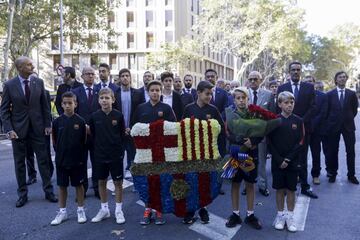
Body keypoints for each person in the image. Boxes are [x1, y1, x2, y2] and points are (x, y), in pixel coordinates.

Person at [0, 56, 57, 207]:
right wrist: (9, 129)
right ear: (20, 68)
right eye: (29, 65)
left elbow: (45, 106)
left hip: (38, 129)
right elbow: (4, 110)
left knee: (43, 160)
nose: (32, 66)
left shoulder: (38, 82)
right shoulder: (9, 85)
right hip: (18, 131)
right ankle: (22, 194)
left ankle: (49, 191)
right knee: (20, 163)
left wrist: (47, 124)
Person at [132, 80, 176, 225]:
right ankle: (147, 209)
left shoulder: (167, 108)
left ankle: (159, 210)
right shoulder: (140, 108)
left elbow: (173, 128)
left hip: (161, 152)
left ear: (161, 91)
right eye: (152, 90)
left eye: (158, 90)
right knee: (146, 182)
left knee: (160, 181)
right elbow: (135, 128)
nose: (155, 93)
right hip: (145, 153)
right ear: (148, 92)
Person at [182, 80, 225, 225]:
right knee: (191, 182)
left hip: (208, 155)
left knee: (204, 183)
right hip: (191, 155)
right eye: (207, 94)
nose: (209, 97)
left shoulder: (213, 110)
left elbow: (222, 131)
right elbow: (181, 129)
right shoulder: (188, 109)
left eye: (211, 94)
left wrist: (220, 152)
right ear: (198, 93)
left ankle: (203, 208)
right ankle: (189, 210)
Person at [277, 61, 318, 199]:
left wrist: (300, 121)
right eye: (293, 69)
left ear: (301, 71)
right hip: (285, 129)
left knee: (302, 158)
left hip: (303, 128)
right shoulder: (282, 87)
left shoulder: (309, 87)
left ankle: (305, 185)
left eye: (298, 69)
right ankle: (286, 186)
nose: (296, 72)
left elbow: (313, 107)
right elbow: (279, 107)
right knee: (287, 155)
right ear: (289, 71)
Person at [225, 87, 263, 230]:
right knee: (235, 183)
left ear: (248, 98)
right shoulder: (229, 113)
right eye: (238, 98)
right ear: (234, 100)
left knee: (250, 184)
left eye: (243, 98)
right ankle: (235, 214)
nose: (241, 100)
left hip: (250, 154)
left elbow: (261, 131)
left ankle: (250, 214)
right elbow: (227, 132)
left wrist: (253, 141)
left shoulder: (255, 113)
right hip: (235, 152)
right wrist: (241, 140)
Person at [90, 88, 126, 224]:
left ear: (113, 100)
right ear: (98, 100)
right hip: (100, 155)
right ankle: (104, 209)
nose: (104, 100)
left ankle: (118, 209)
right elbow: (92, 135)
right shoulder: (94, 116)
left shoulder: (118, 116)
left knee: (118, 182)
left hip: (115, 155)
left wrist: (120, 151)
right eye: (102, 98)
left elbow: (122, 135)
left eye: (107, 98)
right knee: (101, 181)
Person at [269, 91, 304, 233]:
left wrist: (288, 159)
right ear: (279, 104)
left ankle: (290, 216)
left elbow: (300, 142)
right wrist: (279, 160)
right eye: (286, 103)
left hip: (292, 162)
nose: (289, 105)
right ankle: (280, 215)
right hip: (278, 162)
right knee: (279, 189)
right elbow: (270, 142)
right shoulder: (274, 120)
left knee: (291, 189)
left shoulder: (298, 121)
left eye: (292, 102)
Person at [50, 91, 87, 225]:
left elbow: (84, 141)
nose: (67, 106)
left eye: (70, 103)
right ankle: (62, 212)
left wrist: (81, 157)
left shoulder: (80, 121)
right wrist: (59, 155)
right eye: (64, 103)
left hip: (77, 160)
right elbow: (54, 141)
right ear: (61, 104)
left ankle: (81, 210)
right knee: (62, 186)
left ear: (75, 104)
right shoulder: (57, 122)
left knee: (79, 185)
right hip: (61, 160)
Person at [325, 71, 359, 184]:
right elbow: (327, 110)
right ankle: (333, 174)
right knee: (333, 151)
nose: (342, 79)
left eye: (344, 77)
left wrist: (348, 118)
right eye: (340, 77)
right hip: (333, 126)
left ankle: (351, 175)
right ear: (336, 79)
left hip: (348, 126)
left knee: (350, 151)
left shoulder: (351, 94)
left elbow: (354, 109)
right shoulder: (329, 94)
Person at [72, 66, 99, 198]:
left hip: (96, 134)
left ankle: (97, 189)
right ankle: (82, 190)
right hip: (81, 134)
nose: (90, 76)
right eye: (87, 74)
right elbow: (73, 113)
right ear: (82, 76)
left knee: (97, 162)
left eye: (92, 74)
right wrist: (83, 126)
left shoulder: (100, 91)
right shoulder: (75, 91)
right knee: (81, 163)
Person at [247, 71, 273, 197]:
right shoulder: (242, 94)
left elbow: (272, 115)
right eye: (250, 79)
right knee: (247, 160)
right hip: (246, 135)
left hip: (262, 135)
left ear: (260, 80)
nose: (253, 81)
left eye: (255, 79)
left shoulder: (268, 95)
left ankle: (262, 186)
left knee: (262, 161)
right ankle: (248, 185)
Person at [117, 68, 143, 178]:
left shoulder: (138, 93)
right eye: (122, 76)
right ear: (119, 78)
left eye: (127, 75)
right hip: (119, 131)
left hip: (133, 130)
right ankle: (118, 183)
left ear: (130, 78)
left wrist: (131, 127)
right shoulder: (115, 93)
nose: (125, 77)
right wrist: (122, 128)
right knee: (119, 158)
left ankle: (135, 183)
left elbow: (140, 113)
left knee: (133, 157)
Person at [303, 76, 328, 185]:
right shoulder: (301, 95)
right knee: (301, 154)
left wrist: (312, 124)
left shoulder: (322, 96)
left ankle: (316, 175)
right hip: (303, 129)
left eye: (311, 81)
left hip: (316, 130)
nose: (309, 83)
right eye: (307, 81)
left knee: (316, 153)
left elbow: (323, 112)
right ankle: (301, 175)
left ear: (314, 83)